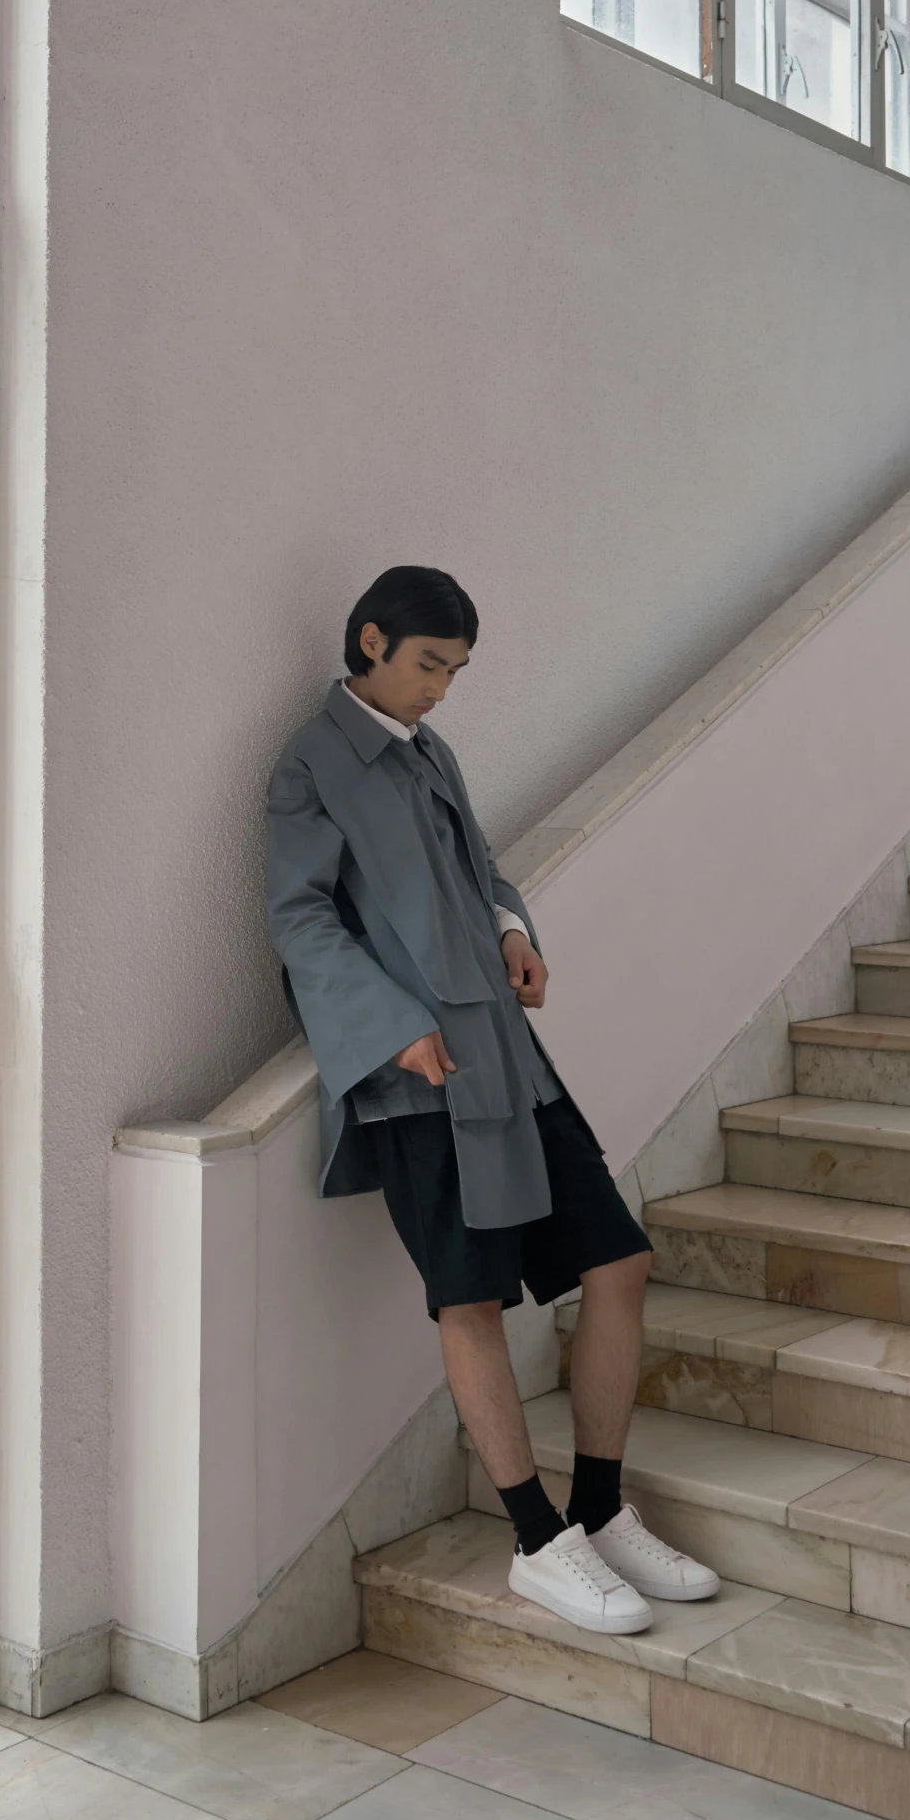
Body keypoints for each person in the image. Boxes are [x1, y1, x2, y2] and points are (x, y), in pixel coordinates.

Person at [264, 565, 718, 1635]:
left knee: (618, 1259)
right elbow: (300, 920)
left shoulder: (433, 755)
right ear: (368, 639)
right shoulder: (309, 765)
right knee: (466, 1298)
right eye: (429, 665)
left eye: (455, 672)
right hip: (416, 1075)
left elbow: (481, 870)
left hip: (508, 1057)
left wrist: (513, 929)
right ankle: (533, 1539)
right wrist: (386, 1024)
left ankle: (599, 1509)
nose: (441, 690)